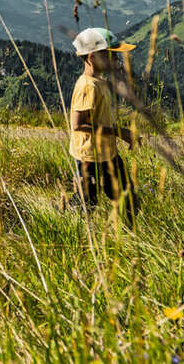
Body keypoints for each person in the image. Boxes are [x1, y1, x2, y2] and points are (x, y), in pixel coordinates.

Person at [69, 27, 140, 224]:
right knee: (88, 205)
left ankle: (130, 237)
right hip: (89, 158)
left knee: (128, 198)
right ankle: (69, 216)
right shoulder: (87, 86)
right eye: (111, 56)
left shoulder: (99, 82)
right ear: (92, 58)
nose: (116, 61)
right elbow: (77, 124)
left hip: (107, 154)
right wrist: (117, 132)